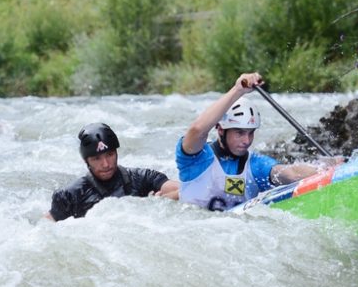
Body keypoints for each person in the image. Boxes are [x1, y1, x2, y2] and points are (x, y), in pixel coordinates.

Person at [176, 72, 335, 211]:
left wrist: (327, 169)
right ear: (221, 130)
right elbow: (197, 130)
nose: (247, 140)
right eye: (239, 133)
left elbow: (290, 173)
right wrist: (238, 90)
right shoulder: (196, 158)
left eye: (251, 133)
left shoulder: (255, 164)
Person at [46, 123, 180, 222]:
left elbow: (186, 190)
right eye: (97, 158)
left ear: (116, 152)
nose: (106, 164)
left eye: (109, 154)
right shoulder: (69, 196)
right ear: (86, 161)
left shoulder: (143, 178)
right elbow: (44, 230)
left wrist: (159, 202)